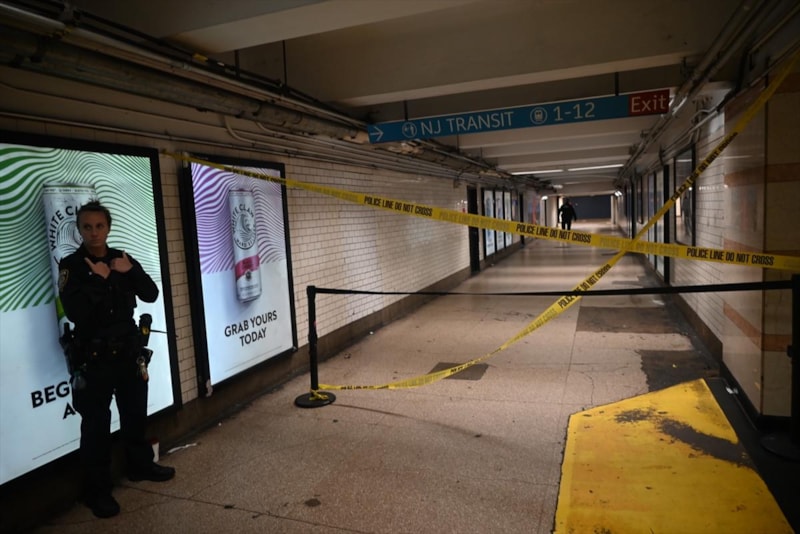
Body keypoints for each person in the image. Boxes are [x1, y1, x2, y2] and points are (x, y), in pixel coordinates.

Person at [58, 200, 175, 518]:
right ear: (79, 230)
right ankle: (97, 492)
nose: (94, 232)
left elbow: (151, 294)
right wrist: (99, 279)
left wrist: (131, 270)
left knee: (135, 415)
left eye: (99, 226)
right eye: (87, 227)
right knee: (95, 427)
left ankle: (140, 466)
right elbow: (76, 312)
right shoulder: (72, 266)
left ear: (108, 228)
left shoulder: (122, 259)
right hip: (94, 360)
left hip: (128, 354)